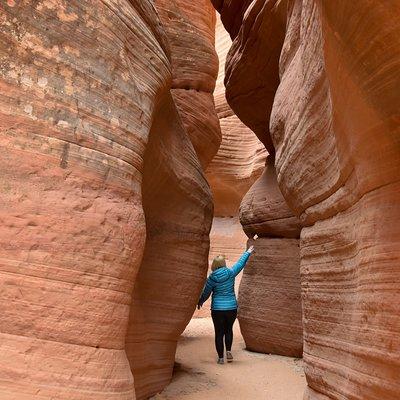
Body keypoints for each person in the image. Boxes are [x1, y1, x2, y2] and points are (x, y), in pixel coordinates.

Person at [197, 245, 255, 364]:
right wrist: (248, 252)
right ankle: (228, 351)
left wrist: (200, 301)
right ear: (223, 264)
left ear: (214, 265)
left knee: (219, 333)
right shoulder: (231, 273)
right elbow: (240, 264)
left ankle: (220, 358)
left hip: (217, 309)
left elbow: (206, 292)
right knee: (228, 330)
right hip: (231, 308)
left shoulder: (211, 278)